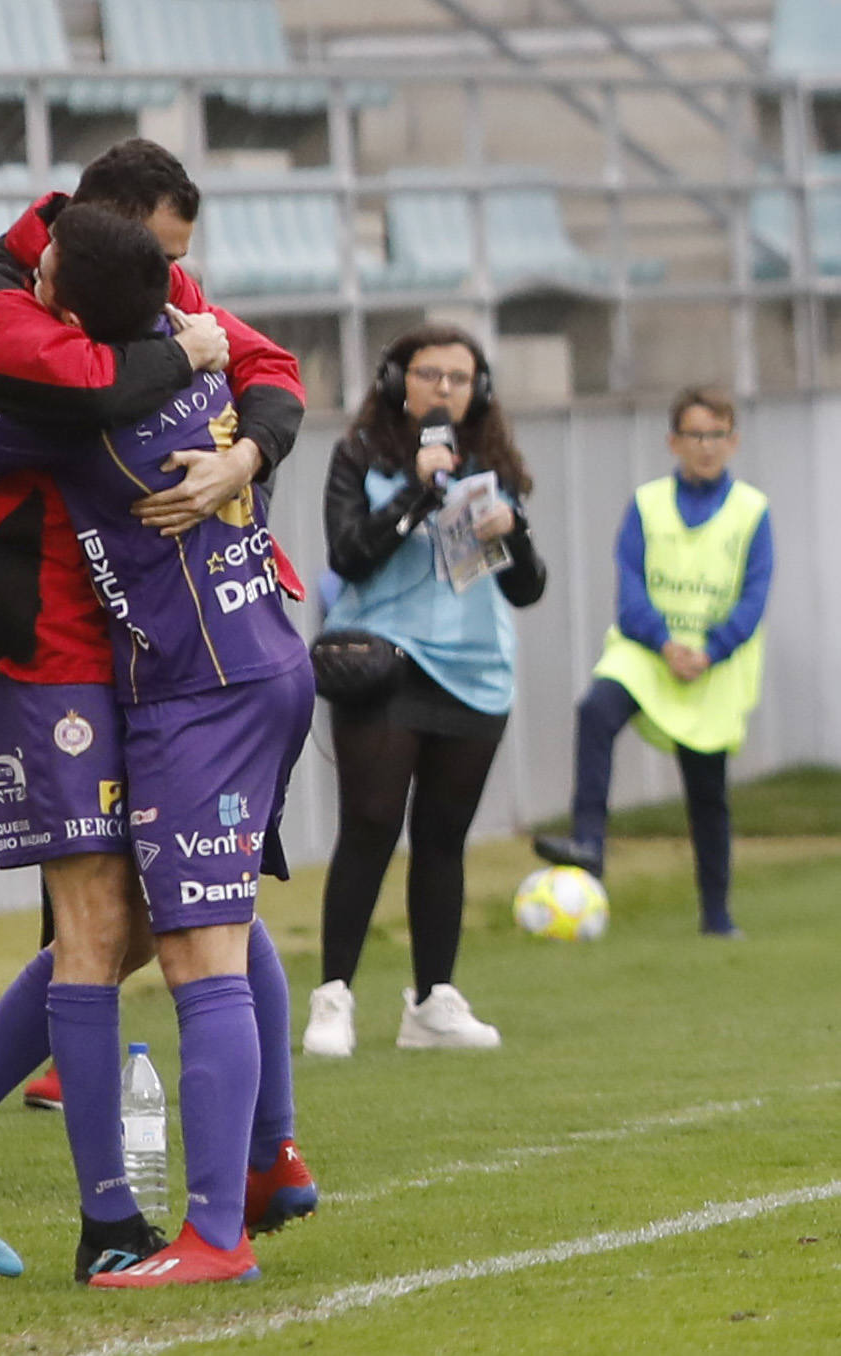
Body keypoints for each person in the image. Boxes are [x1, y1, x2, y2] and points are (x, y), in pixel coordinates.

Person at [0, 143, 315, 1284]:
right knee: (113, 925)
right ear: (94, 240)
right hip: (53, 656)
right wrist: (180, 351)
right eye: (165, 262)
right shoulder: (1, 308)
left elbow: (276, 370)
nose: (184, 285)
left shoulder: (143, 291)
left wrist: (243, 448)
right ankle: (114, 1216)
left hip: (158, 656)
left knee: (173, 917)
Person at [302, 323, 546, 1059]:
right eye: (429, 373)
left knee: (443, 837)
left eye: (460, 378)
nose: (444, 388)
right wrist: (418, 483)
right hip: (385, 661)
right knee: (372, 822)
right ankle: (334, 996)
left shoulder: (492, 466)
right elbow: (350, 554)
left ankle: (432, 1001)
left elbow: (527, 588)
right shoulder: (361, 459)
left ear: (479, 392)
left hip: (475, 670)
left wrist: (515, 530)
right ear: (396, 382)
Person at [534, 385, 773, 938]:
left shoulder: (751, 512)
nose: (705, 446)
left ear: (733, 442)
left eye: (716, 435)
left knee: (707, 790)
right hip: (649, 654)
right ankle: (589, 843)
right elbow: (631, 589)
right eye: (694, 434)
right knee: (596, 710)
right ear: (673, 441)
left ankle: (716, 915)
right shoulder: (647, 503)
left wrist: (710, 650)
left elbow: (754, 597)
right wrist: (665, 643)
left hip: (712, 665)